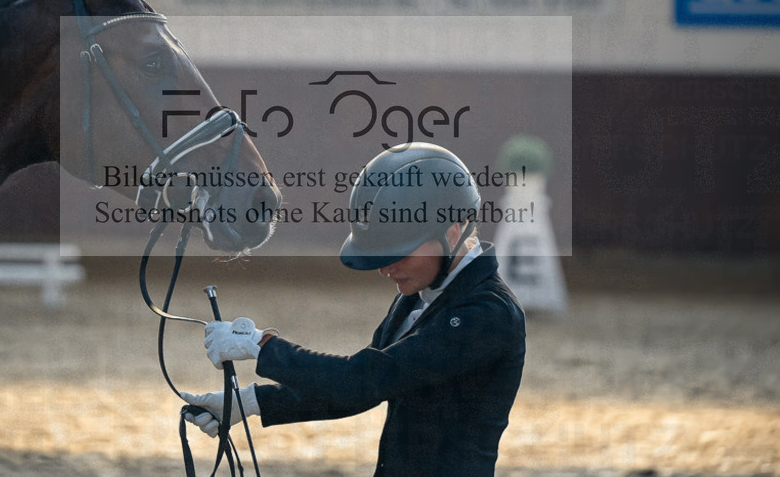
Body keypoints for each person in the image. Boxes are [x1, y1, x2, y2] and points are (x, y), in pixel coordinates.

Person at [182, 143, 526, 477]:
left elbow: (363, 380)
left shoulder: (488, 313)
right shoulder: (420, 294)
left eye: (399, 252)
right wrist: (249, 402)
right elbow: (354, 393)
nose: (385, 269)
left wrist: (260, 346)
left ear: (451, 235)